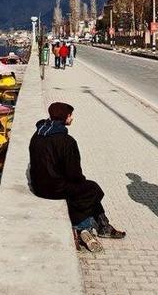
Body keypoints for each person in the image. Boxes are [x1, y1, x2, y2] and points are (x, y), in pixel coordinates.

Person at [29, 101, 126, 252]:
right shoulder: (67, 141)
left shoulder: (38, 134)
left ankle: (101, 226)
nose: (72, 118)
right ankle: (88, 226)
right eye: (70, 115)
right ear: (64, 117)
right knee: (91, 189)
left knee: (83, 190)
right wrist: (81, 182)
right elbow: (74, 173)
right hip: (54, 188)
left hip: (39, 185)